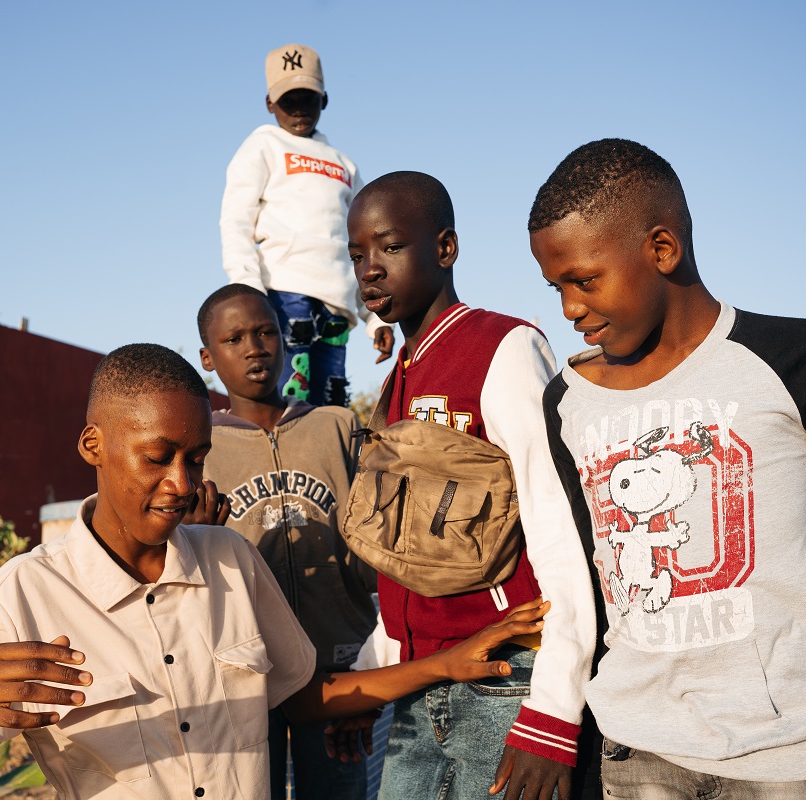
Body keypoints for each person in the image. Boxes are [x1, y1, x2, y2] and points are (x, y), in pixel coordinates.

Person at [0, 342, 555, 800]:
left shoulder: (231, 561)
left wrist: (444, 663)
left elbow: (300, 696)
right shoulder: (27, 597)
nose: (181, 483)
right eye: (157, 458)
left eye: (197, 458)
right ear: (92, 444)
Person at [530, 137, 806, 798]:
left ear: (662, 249)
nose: (568, 308)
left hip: (795, 761)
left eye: (584, 279)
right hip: (635, 760)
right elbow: (588, 586)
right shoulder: (567, 401)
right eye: (555, 286)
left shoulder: (801, 358)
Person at [347, 171, 597, 800]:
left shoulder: (502, 346)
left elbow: (558, 521)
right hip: (419, 683)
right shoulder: (398, 377)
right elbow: (407, 558)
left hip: (504, 678)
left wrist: (554, 714)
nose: (370, 269)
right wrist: (363, 678)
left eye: (390, 247)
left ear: (445, 248)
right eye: (358, 255)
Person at [197, 283, 377, 799]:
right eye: (234, 338)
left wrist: (373, 663)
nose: (255, 347)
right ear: (208, 357)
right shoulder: (202, 449)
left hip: (339, 667)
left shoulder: (336, 426)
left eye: (265, 332)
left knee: (340, 790)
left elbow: (375, 540)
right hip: (246, 676)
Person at [220, 43, 394, 407]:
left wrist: (375, 319)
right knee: (288, 403)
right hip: (283, 297)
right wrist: (247, 291)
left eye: (308, 98)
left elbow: (363, 245)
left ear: (325, 100)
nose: (299, 108)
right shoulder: (262, 145)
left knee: (330, 408)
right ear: (269, 103)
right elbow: (236, 221)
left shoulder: (343, 164)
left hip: (337, 308)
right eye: (288, 100)